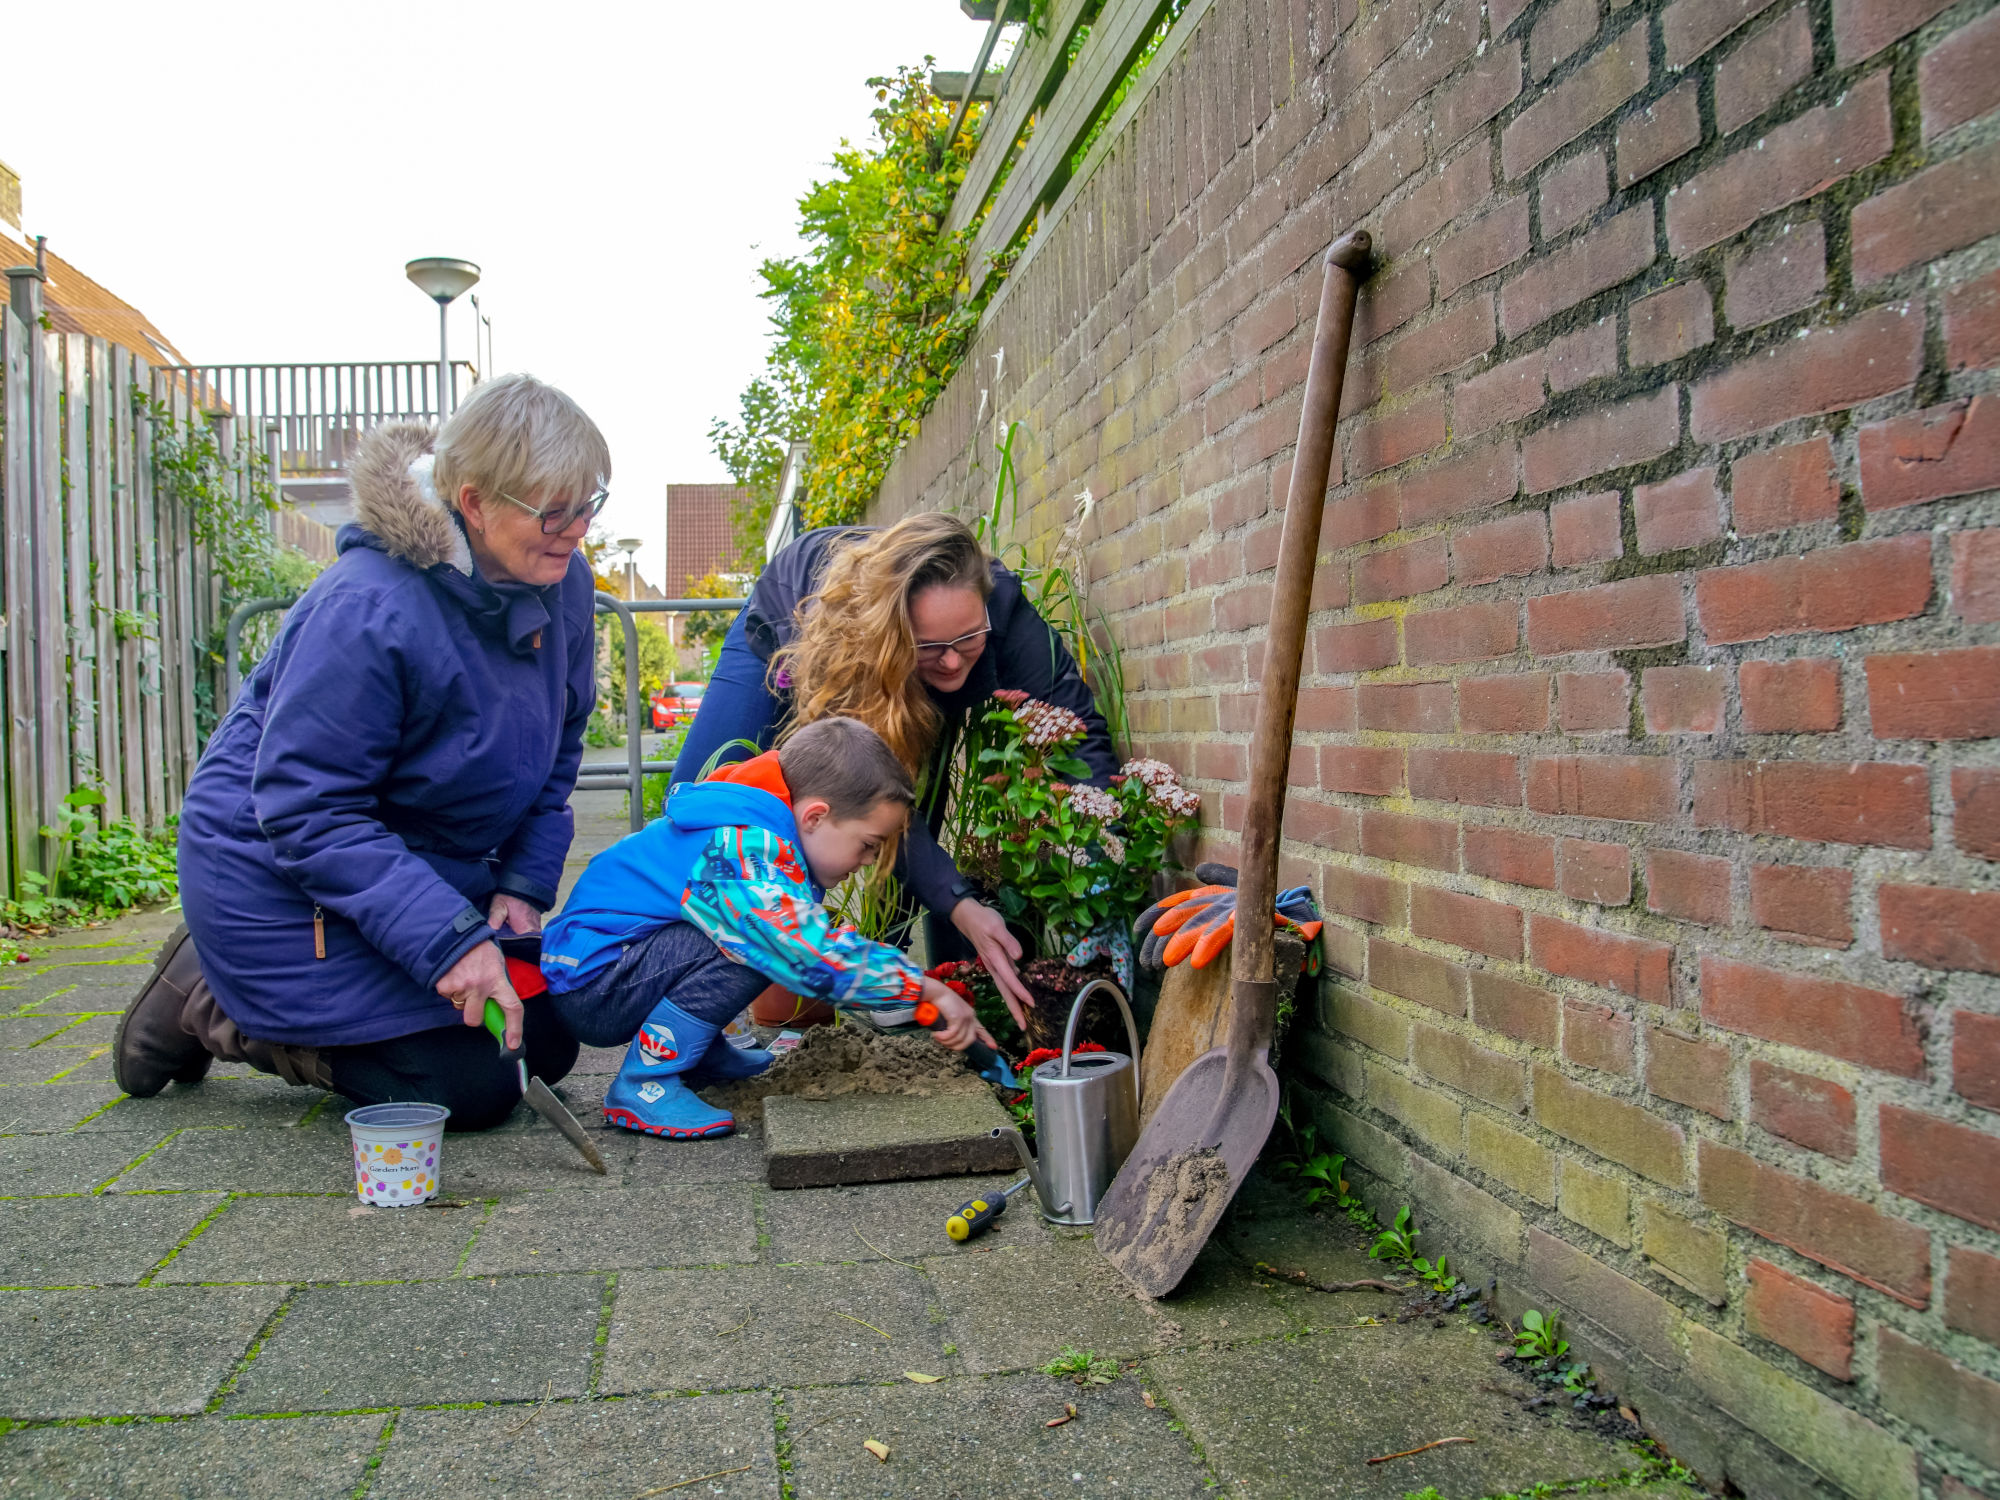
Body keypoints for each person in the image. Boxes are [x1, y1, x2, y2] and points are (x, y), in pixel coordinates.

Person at [110, 374, 607, 1131]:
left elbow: (561, 742)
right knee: (472, 1088)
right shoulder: (367, 607)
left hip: (405, 870)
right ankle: (215, 1002)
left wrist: (521, 883)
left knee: (546, 1040)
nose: (576, 530)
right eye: (555, 511)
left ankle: (267, 991)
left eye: (590, 504)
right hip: (278, 879)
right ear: (473, 501)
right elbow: (307, 810)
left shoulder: (563, 581)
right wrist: (449, 944)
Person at [674, 514, 1118, 1025]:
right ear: (898, 632)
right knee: (702, 807)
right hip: (798, 630)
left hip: (895, 665)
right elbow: (865, 783)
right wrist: (962, 907)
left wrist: (1099, 865)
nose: (952, 664)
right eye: (931, 646)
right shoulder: (856, 640)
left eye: (968, 640)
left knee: (908, 792)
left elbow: (1079, 728)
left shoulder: (1008, 618)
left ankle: (881, 972)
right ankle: (683, 1013)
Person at [540, 715, 992, 1138]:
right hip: (595, 983)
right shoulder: (739, 849)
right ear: (815, 816)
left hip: (611, 965)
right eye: (868, 844)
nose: (871, 861)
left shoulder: (757, 827)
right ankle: (644, 1083)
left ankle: (696, 1055)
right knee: (766, 944)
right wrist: (922, 989)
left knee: (753, 935)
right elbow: (802, 949)